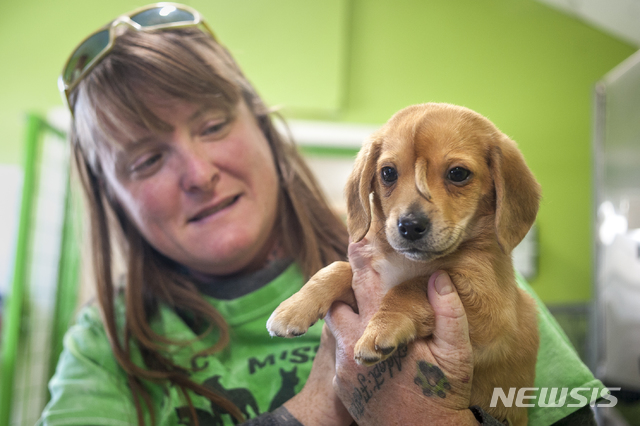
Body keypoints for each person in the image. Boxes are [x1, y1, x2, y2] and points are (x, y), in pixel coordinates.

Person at [39, 3, 603, 425]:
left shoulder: (461, 259)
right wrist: (315, 409)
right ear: (110, 193)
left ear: (262, 125)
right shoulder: (103, 344)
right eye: (147, 158)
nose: (198, 172)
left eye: (213, 125)